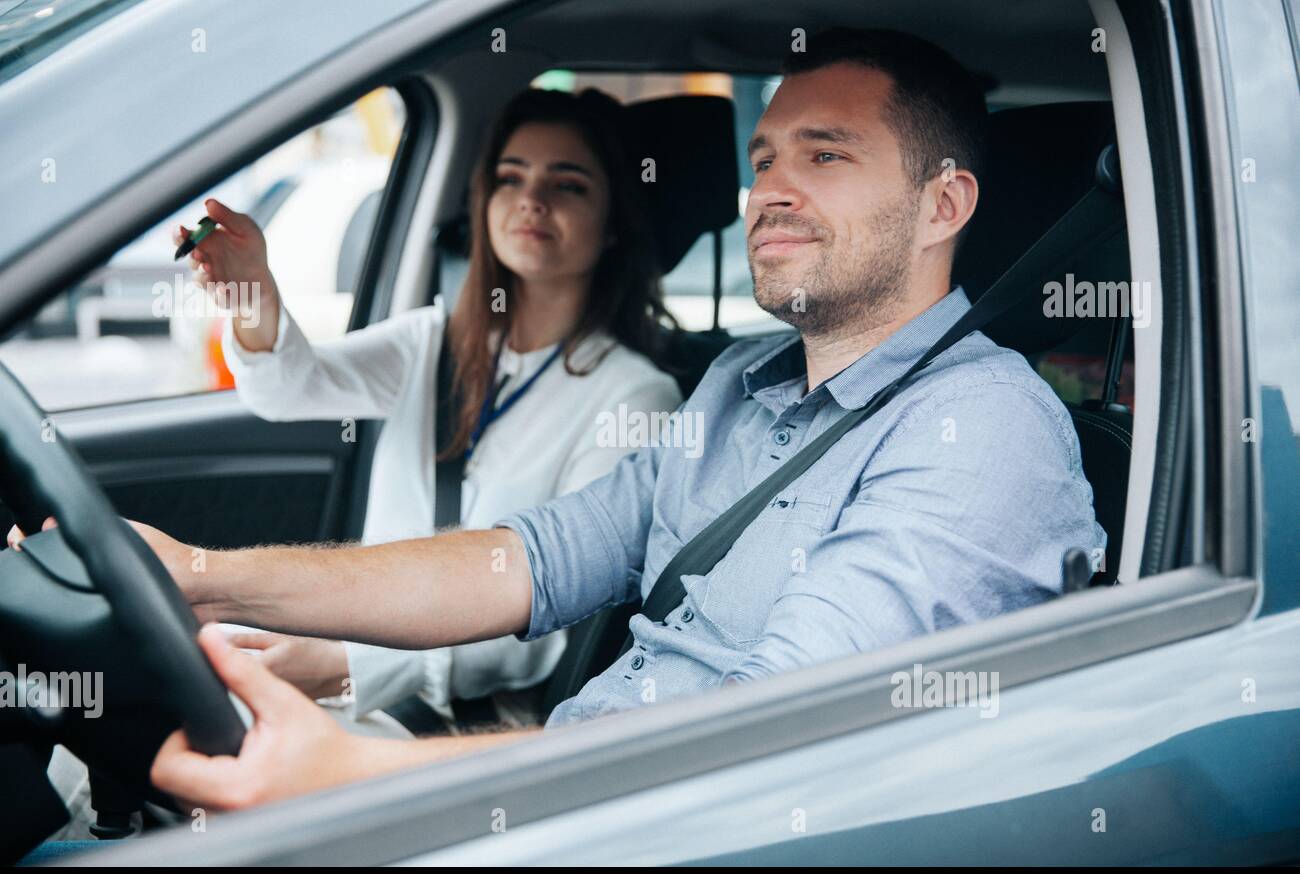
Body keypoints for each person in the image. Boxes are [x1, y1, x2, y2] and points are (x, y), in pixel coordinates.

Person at [24, 28, 1108, 813]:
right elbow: (525, 560)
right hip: (582, 787)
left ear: (942, 206)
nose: (769, 189)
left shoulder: (984, 430)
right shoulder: (736, 383)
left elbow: (764, 737)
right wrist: (205, 572)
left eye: (825, 155)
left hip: (676, 821)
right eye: (764, 158)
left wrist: (356, 774)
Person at [178, 87, 683, 733]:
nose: (532, 199)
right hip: (364, 680)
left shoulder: (635, 398)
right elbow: (289, 389)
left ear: (613, 221)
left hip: (461, 720)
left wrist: (343, 664)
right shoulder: (433, 343)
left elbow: (552, 611)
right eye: (511, 177)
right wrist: (252, 293)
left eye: (570, 185)